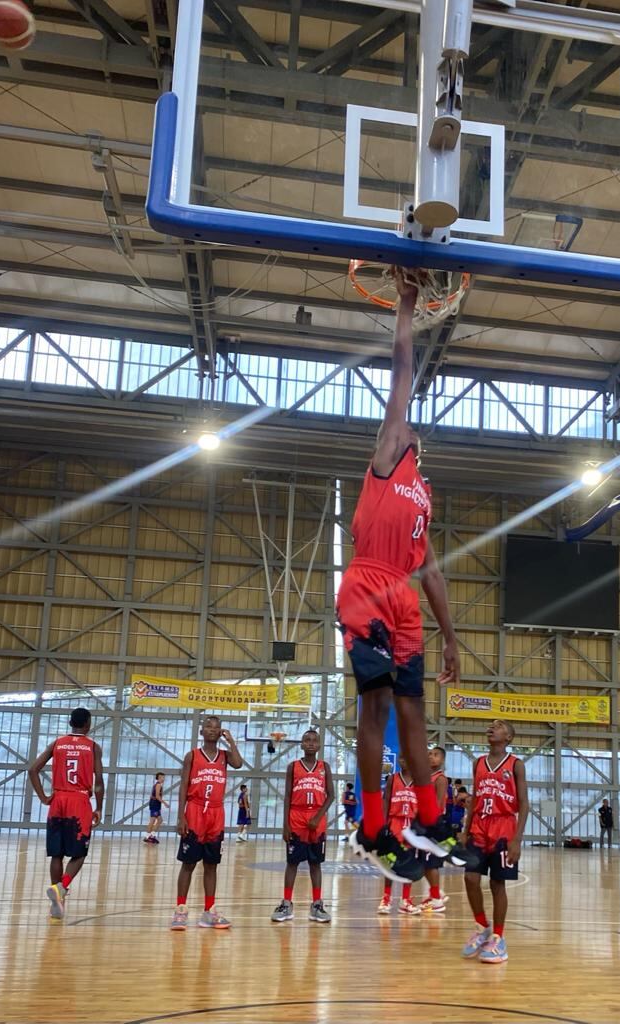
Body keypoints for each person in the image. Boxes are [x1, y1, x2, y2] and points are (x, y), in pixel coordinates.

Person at [337, 270, 460, 881]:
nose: (409, 422)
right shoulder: (388, 451)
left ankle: (430, 820)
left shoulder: (423, 496)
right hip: (368, 584)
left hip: (405, 599)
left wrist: (452, 637)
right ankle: (371, 825)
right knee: (377, 707)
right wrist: (407, 306)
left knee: (415, 712)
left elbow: (433, 572)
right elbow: (402, 370)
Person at [455, 720, 529, 964]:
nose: (490, 728)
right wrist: (466, 830)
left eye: (497, 726)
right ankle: (481, 925)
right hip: (479, 826)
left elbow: (524, 804)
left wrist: (517, 839)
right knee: (470, 878)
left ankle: (498, 938)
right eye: (490, 725)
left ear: (508, 737)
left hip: (503, 829)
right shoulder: (478, 763)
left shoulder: (516, 765)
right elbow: (475, 798)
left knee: (498, 884)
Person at [27, 707, 104, 923]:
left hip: (58, 800)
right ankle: (62, 888)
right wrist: (98, 807)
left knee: (57, 854)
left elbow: (33, 769)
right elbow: (98, 782)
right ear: (88, 724)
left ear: (71, 723)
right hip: (79, 802)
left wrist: (43, 797)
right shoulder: (93, 747)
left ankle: (57, 904)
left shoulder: (57, 743)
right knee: (79, 854)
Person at [170, 716, 242, 930]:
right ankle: (180, 909)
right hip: (194, 810)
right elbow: (184, 785)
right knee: (188, 863)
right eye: (208, 726)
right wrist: (181, 815)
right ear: (201, 732)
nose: (213, 729)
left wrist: (232, 742)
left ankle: (209, 911)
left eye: (216, 727)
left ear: (221, 731)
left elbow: (238, 764)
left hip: (216, 812)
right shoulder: (192, 755)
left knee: (211, 865)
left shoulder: (225, 756)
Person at [271, 729, 334, 924]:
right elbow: (288, 796)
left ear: (319, 745)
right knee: (292, 862)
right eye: (307, 740)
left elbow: (331, 795)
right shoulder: (293, 767)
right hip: (296, 817)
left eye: (314, 740)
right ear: (301, 744)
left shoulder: (325, 767)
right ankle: (287, 903)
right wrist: (285, 825)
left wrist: (318, 816)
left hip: (317, 817)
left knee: (316, 864)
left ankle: (316, 904)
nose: (310, 743)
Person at [377, 756, 421, 915]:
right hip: (395, 822)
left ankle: (405, 900)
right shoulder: (393, 779)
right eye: (402, 758)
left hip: (412, 824)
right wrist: (383, 824)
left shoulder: (420, 780)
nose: (404, 760)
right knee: (389, 863)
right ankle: (386, 898)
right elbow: (386, 800)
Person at [420, 746, 449, 913]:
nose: (431, 757)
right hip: (423, 823)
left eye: (436, 755)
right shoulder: (424, 778)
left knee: (431, 864)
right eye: (429, 754)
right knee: (423, 863)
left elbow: (438, 804)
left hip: (433, 824)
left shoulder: (440, 779)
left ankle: (437, 900)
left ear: (442, 760)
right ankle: (437, 893)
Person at [144, 772, 168, 844]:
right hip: (155, 804)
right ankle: (147, 837)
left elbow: (152, 795)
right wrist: (165, 803)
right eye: (162, 777)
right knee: (152, 820)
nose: (163, 778)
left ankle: (152, 835)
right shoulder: (158, 785)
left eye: (164, 777)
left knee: (160, 820)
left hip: (156, 804)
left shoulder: (158, 785)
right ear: (159, 778)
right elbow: (157, 796)